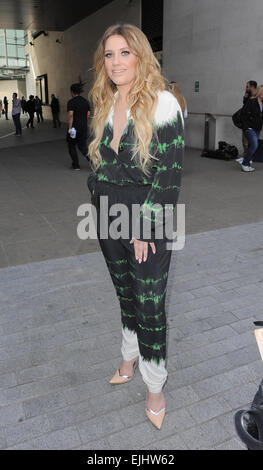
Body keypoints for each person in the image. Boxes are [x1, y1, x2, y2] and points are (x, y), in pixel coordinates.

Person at [87, 24, 184, 430]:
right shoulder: (105, 102)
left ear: (140, 56)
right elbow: (99, 162)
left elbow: (170, 175)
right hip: (108, 212)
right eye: (109, 55)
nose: (115, 62)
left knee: (149, 303)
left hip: (149, 215)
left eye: (124, 53)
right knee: (124, 292)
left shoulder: (162, 103)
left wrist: (144, 226)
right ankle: (128, 357)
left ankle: (155, 386)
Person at [239, 85, 263, 172]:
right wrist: (246, 126)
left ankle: (247, 163)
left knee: (252, 146)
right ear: (259, 93)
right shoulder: (251, 101)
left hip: (257, 128)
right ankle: (245, 163)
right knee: (254, 145)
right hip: (249, 128)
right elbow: (243, 114)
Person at [67, 83, 91, 170]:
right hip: (83, 127)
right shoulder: (85, 101)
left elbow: (71, 116)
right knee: (83, 146)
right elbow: (88, 115)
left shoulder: (71, 102)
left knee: (71, 145)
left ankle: (76, 165)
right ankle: (93, 162)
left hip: (74, 128)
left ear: (72, 92)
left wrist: (70, 128)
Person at [241, 81, 257, 158]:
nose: (246, 88)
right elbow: (244, 104)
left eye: (247, 86)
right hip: (246, 121)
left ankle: (247, 157)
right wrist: (245, 95)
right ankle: (246, 156)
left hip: (253, 122)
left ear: (252, 87)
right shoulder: (248, 95)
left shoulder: (257, 96)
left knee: (252, 141)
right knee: (245, 140)